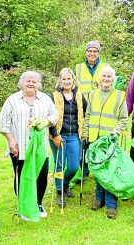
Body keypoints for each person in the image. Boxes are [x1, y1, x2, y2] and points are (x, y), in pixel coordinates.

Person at [0, 71, 58, 220]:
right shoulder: (12, 100)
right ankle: (23, 206)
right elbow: (3, 124)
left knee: (41, 175)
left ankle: (37, 203)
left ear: (38, 84)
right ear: (21, 83)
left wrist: (46, 122)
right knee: (22, 176)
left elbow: (55, 115)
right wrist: (11, 141)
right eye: (28, 81)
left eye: (34, 81)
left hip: (39, 148)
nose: (31, 84)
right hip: (19, 148)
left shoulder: (45, 99)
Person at [82, 66, 127, 219]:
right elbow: (87, 116)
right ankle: (98, 199)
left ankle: (111, 205)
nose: (106, 79)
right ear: (100, 79)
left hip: (109, 141)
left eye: (109, 76)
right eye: (104, 76)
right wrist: (85, 134)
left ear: (113, 79)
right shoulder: (92, 95)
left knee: (110, 173)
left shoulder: (120, 96)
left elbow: (123, 120)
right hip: (94, 139)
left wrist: (114, 133)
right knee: (97, 171)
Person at [49, 68, 87, 207]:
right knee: (59, 164)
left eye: (69, 79)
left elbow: (86, 113)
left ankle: (65, 185)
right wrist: (54, 135)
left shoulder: (79, 96)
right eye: (63, 79)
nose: (66, 82)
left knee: (73, 166)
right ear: (60, 81)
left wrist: (85, 131)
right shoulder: (53, 96)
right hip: (58, 135)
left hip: (74, 135)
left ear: (73, 80)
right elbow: (49, 116)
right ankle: (60, 193)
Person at [75, 40, 107, 179]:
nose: (92, 53)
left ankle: (98, 166)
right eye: (90, 51)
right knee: (83, 137)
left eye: (95, 51)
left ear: (98, 53)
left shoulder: (105, 67)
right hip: (82, 107)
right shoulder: (78, 68)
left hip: (99, 108)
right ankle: (84, 169)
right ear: (86, 52)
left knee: (97, 137)